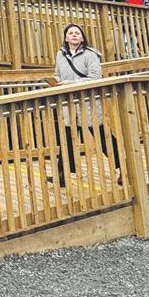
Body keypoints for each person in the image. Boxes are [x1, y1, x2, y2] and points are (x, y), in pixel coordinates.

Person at [49, 23, 116, 186]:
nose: (74, 35)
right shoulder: (60, 55)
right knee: (66, 139)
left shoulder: (91, 54)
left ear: (82, 38)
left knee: (101, 136)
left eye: (77, 33)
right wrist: (54, 82)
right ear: (66, 38)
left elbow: (95, 77)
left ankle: (123, 165)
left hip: (88, 101)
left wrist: (70, 83)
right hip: (69, 102)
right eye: (70, 33)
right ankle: (62, 174)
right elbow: (58, 74)